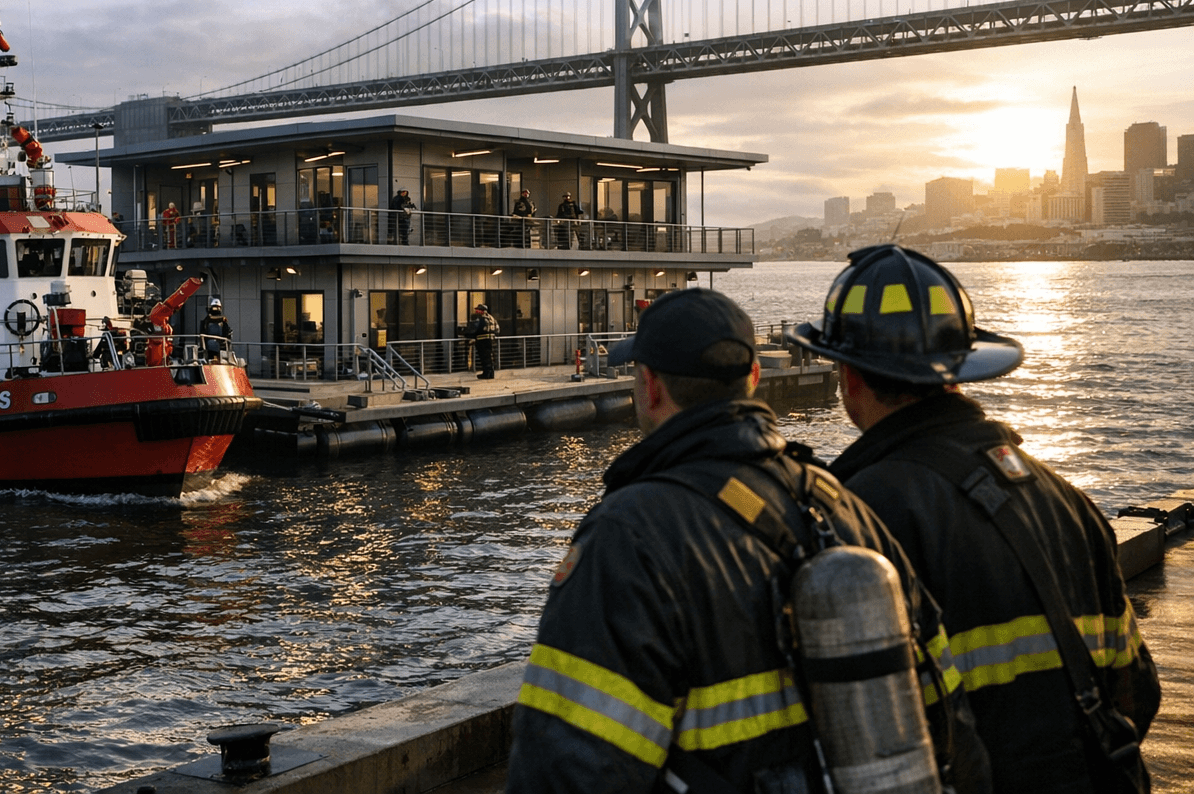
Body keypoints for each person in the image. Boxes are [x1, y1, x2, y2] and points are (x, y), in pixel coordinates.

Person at [507, 288, 988, 793]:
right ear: (754, 378)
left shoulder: (628, 535)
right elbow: (949, 718)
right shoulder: (841, 504)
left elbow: (568, 769)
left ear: (648, 386)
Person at [788, 244, 1160, 793]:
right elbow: (1138, 690)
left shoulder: (854, 515)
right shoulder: (1060, 495)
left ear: (851, 376)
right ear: (959, 370)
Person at [465, 303, 499, 379]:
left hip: (482, 341)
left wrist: (469, 336)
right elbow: (497, 329)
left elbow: (474, 329)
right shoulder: (491, 318)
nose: (476, 311)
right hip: (491, 340)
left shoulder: (480, 318)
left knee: (484, 358)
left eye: (478, 310)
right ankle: (491, 373)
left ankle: (486, 374)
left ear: (481, 311)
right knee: (489, 358)